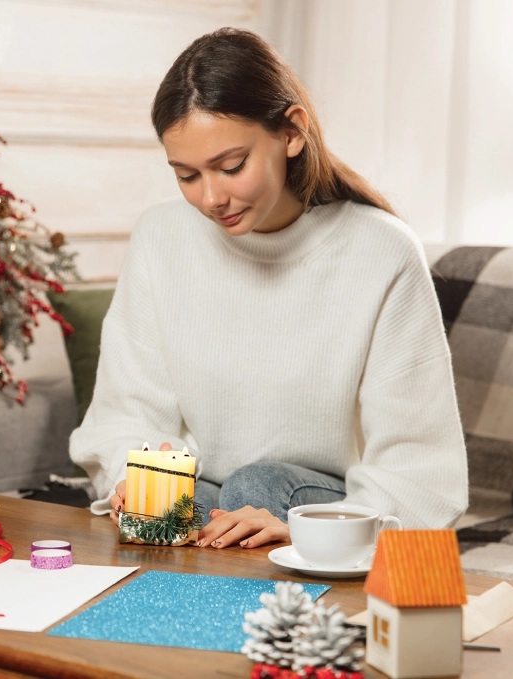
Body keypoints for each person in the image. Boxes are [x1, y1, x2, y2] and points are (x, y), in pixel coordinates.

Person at [68, 27, 467, 550]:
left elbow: (416, 466)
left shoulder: (381, 250)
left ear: (292, 132)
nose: (211, 197)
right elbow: (128, 413)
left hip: (333, 505)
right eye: (186, 175)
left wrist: (305, 528)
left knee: (254, 485)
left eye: (231, 166)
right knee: (190, 505)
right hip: (208, 494)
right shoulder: (161, 237)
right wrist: (133, 484)